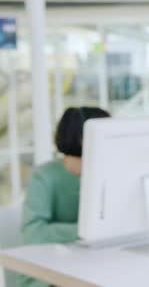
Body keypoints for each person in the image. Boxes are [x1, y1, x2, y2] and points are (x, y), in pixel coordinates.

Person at [19, 107, 110, 287]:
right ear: (82, 138)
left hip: (93, 268)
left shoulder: (107, 174)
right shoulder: (44, 176)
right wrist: (88, 230)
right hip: (47, 275)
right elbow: (33, 233)